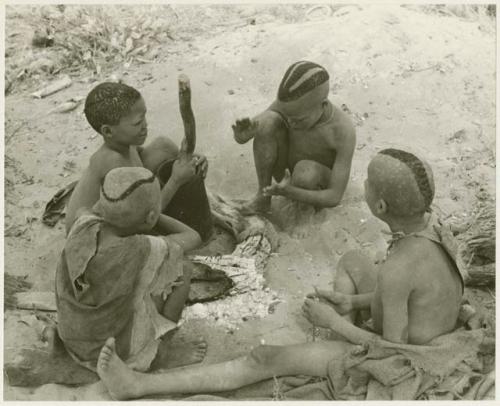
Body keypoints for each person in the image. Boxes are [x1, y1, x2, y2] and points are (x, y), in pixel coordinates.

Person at [94, 149, 471, 400]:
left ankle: (137, 385)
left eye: (369, 184)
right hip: (422, 317)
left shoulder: (398, 268)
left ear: (381, 205)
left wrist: (334, 323)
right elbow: (408, 290)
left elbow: (391, 351)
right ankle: (335, 333)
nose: (365, 186)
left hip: (409, 355)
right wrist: (354, 301)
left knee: (263, 358)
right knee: (355, 260)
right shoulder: (431, 228)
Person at [56, 167, 205, 373]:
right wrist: (154, 214)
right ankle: (161, 352)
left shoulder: (83, 223)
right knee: (182, 266)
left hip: (74, 340)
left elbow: (84, 209)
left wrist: (131, 212)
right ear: (150, 217)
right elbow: (193, 237)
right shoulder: (141, 248)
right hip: (113, 352)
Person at [65, 81, 208, 235]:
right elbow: (145, 217)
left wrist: (187, 158)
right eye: (138, 123)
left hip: (126, 201)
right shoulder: (113, 162)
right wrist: (175, 180)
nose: (145, 125)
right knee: (188, 238)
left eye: (144, 117)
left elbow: (145, 155)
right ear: (108, 131)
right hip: (95, 233)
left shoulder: (125, 143)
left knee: (163, 145)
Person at [232, 60, 356, 214]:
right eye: (287, 115)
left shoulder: (342, 130)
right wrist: (243, 136)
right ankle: (263, 198)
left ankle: (304, 211)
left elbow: (334, 197)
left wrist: (288, 192)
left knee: (305, 170)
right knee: (268, 120)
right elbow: (256, 130)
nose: (290, 122)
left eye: (298, 120)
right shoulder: (291, 106)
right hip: (287, 177)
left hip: (314, 184)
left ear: (323, 105)